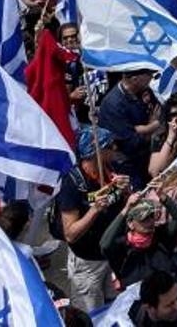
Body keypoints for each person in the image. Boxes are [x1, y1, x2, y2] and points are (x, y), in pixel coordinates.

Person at [55, 126, 130, 312]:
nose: (114, 149)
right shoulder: (72, 184)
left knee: (114, 308)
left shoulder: (111, 169)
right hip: (88, 263)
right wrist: (94, 209)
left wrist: (126, 191)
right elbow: (71, 234)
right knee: (90, 313)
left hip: (111, 255)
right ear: (97, 152)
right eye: (109, 146)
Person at [98, 67, 163, 188]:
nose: (151, 78)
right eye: (148, 75)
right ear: (135, 79)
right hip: (126, 165)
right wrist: (152, 127)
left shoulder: (144, 91)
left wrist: (142, 128)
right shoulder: (113, 105)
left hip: (145, 158)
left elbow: (157, 112)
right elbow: (131, 142)